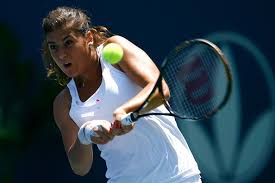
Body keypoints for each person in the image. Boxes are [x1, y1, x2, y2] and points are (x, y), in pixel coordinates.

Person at [41, 6, 202, 183]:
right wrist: (85, 134)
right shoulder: (64, 103)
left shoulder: (115, 48)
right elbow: (80, 167)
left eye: (68, 42)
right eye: (53, 47)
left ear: (88, 38)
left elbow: (160, 90)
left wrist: (125, 110)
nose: (62, 54)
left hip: (176, 176)